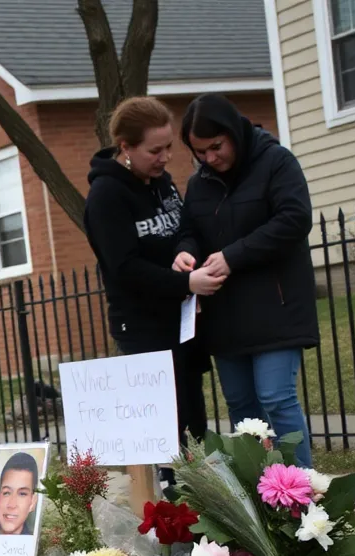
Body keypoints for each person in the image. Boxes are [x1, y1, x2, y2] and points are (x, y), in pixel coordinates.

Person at [174, 93, 318, 467]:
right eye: (199, 152)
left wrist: (233, 256)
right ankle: (262, 497)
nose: (209, 158)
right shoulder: (200, 182)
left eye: (216, 147)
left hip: (277, 306)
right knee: (241, 406)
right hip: (226, 316)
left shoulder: (276, 162)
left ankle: (304, 492)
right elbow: (189, 229)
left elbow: (295, 219)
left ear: (233, 132)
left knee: (276, 398)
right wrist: (185, 251)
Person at [84, 96, 216, 488]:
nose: (165, 157)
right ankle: (171, 497)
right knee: (165, 425)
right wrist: (184, 284)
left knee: (194, 417)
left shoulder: (161, 184)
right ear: (125, 147)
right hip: (143, 328)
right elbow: (123, 269)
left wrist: (184, 251)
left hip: (181, 321)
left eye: (169, 146)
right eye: (154, 150)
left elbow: (186, 226)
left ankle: (201, 495)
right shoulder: (106, 196)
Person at [0, 452, 39, 535]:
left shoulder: (37, 545)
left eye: (22, 494)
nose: (11, 505)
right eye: (6, 493)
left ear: (32, 502)